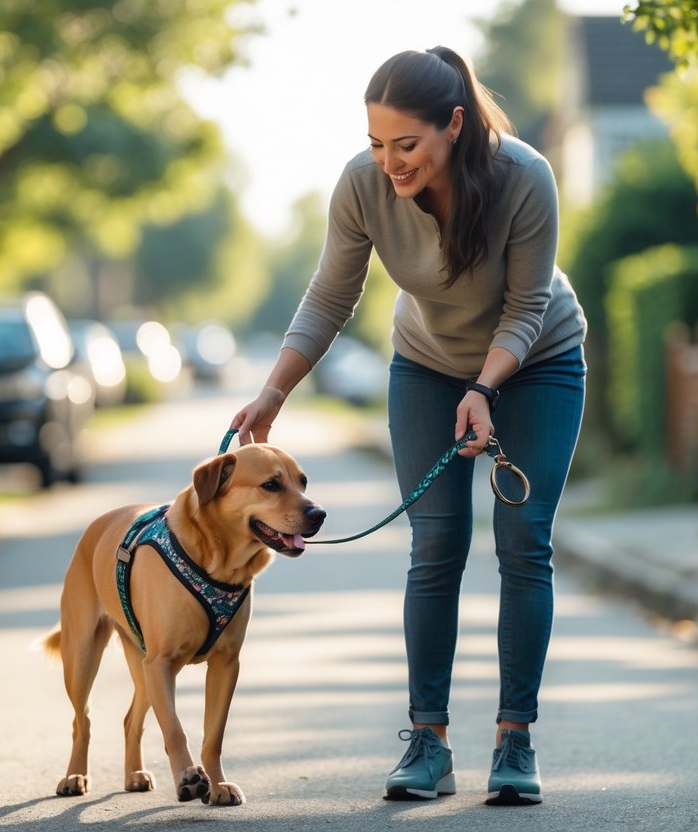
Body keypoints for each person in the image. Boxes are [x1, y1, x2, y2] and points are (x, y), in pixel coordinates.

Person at [229, 46, 587, 806]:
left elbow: (525, 309)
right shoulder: (363, 186)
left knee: (524, 542)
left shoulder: (524, 178)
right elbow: (329, 295)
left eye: (406, 144)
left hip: (537, 362)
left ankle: (514, 741)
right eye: (375, 144)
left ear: (452, 126)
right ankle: (428, 742)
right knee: (435, 543)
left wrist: (485, 387)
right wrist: (272, 393)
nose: (389, 162)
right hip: (424, 365)